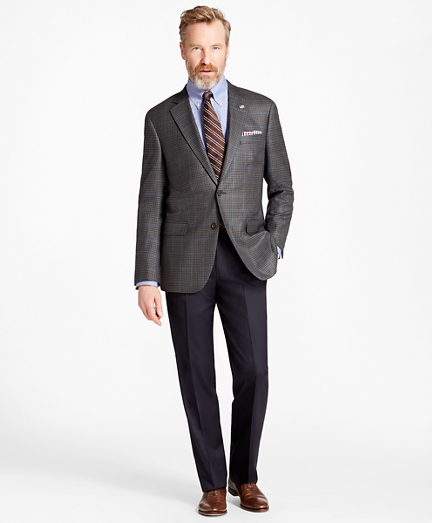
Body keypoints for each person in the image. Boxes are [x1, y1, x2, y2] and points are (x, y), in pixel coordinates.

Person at [135, 6, 294, 516]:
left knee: (254, 373)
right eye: (197, 47)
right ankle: (211, 481)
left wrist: (272, 244)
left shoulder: (260, 110)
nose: (206, 58)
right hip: (184, 266)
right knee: (197, 375)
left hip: (247, 261)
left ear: (227, 49)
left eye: (215, 47)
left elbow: (283, 189)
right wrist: (146, 278)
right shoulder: (161, 119)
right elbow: (151, 202)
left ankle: (244, 476)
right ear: (182, 50)